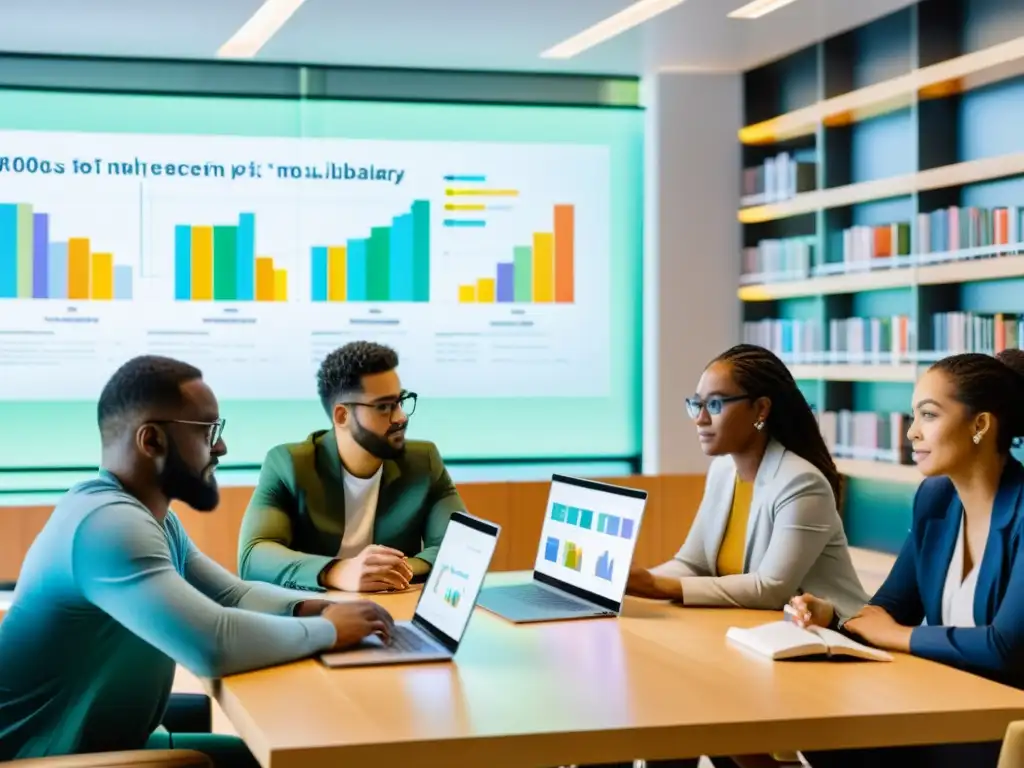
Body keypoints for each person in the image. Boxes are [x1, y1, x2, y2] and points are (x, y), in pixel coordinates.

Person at [0, 356, 394, 764]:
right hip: (40, 759)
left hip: (98, 745)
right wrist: (328, 631)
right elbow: (213, 644)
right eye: (208, 430)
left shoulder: (149, 517)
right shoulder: (108, 526)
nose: (221, 446)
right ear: (151, 441)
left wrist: (311, 607)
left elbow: (231, 595)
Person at [792, 350, 1024, 768]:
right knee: (822, 729)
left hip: (1006, 724)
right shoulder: (935, 500)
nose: (912, 433)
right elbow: (891, 608)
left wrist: (897, 635)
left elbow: (1005, 647)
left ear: (981, 425)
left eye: (929, 416)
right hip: (945, 702)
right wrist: (834, 619)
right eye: (912, 417)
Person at [626, 344, 867, 619]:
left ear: (761, 409)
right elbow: (692, 564)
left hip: (832, 639)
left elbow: (770, 588)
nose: (700, 419)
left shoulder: (802, 482)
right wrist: (634, 581)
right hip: (758, 630)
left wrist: (653, 585)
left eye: (715, 405)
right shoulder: (723, 471)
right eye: (697, 405)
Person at [238, 341, 465, 593]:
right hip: (315, 617)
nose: (401, 417)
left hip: (392, 611)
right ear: (342, 416)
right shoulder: (288, 464)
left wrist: (391, 571)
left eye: (400, 401)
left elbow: (460, 549)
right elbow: (253, 556)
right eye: (384, 406)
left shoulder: (424, 461)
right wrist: (337, 571)